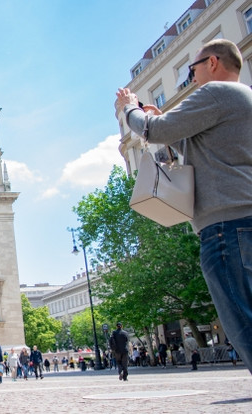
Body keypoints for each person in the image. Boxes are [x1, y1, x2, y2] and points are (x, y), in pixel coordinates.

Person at [116, 38, 252, 377]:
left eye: (191, 69)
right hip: (243, 218)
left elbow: (151, 130)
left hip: (226, 226)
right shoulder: (243, 98)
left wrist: (129, 108)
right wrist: (168, 125)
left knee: (241, 322)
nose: (189, 78)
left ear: (213, 63)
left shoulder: (215, 93)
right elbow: (208, 151)